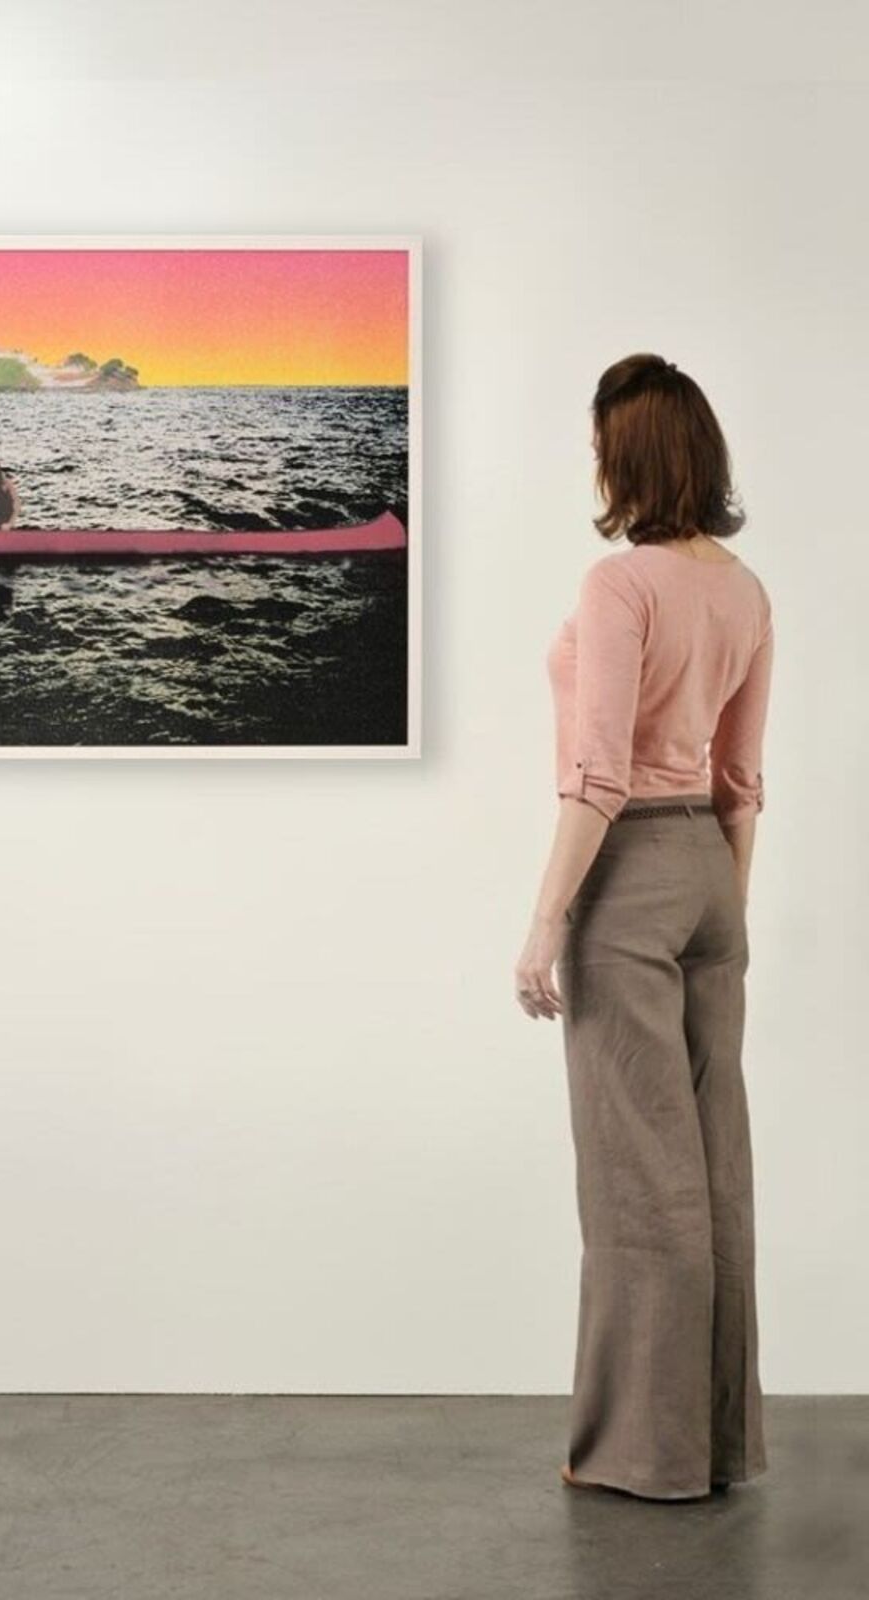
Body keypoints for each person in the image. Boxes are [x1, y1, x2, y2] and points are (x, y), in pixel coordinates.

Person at [515, 353, 774, 1501]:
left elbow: (597, 773)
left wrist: (543, 921)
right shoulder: (745, 589)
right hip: (712, 875)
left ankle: (643, 1452)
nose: (592, 460)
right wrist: (727, 910)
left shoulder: (621, 585)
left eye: (601, 441)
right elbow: (742, 780)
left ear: (633, 454)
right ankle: (715, 1443)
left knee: (637, 1179)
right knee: (713, 1169)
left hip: (628, 876)